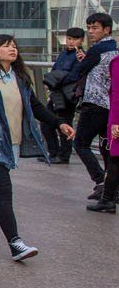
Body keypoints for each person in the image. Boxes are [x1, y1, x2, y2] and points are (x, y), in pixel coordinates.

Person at [0, 35, 74, 259]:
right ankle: (15, 243)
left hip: (11, 142)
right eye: (6, 46)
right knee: (3, 189)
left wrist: (59, 123)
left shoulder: (20, 77)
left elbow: (35, 106)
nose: (12, 49)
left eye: (14, 46)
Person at [74, 13, 116, 194]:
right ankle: (111, 188)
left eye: (95, 28)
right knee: (106, 147)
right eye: (89, 27)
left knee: (81, 143)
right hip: (111, 107)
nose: (90, 31)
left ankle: (101, 181)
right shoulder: (114, 49)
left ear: (106, 29)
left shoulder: (97, 50)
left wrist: (84, 61)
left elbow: (80, 71)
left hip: (95, 104)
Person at [43, 28, 86, 163]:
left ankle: (63, 156)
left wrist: (57, 79)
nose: (71, 42)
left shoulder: (81, 56)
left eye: (75, 39)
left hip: (69, 95)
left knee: (65, 124)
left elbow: (76, 75)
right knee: (46, 123)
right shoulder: (63, 54)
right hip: (56, 92)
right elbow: (56, 69)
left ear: (81, 40)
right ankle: (53, 153)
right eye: (69, 39)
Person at [87, 55, 119, 213]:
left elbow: (117, 94)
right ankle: (108, 199)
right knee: (115, 161)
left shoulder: (117, 62)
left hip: (117, 121)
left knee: (115, 160)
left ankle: (108, 200)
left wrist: (114, 122)